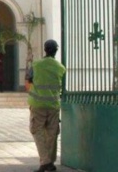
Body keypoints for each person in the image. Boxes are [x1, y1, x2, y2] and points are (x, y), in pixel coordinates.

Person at [27, 39, 66, 172]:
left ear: (45, 49)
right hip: (54, 105)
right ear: (56, 50)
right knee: (52, 133)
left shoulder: (36, 65)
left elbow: (29, 78)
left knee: (37, 131)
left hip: (38, 104)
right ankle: (50, 162)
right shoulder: (60, 67)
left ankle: (45, 161)